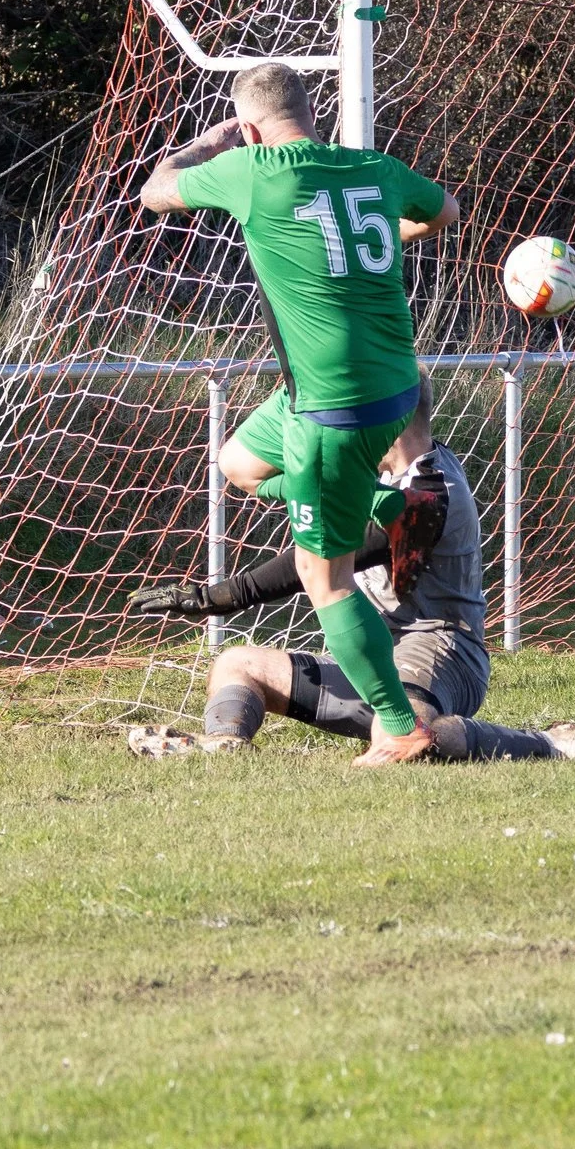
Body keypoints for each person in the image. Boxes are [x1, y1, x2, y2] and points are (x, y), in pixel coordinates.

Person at [138, 61, 460, 766]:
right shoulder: (372, 166)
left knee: (327, 579)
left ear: (250, 129)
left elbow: (155, 190)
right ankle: (383, 503)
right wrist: (364, 256)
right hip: (385, 390)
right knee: (237, 463)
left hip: (333, 410)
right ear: (313, 115)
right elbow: (445, 213)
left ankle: (400, 729)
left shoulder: (252, 169)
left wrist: (208, 145)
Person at [123, 388, 575, 762]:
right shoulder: (380, 479)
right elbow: (250, 470)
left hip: (440, 650)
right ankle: (222, 749)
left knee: (407, 743)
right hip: (371, 648)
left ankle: (554, 743)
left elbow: (328, 557)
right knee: (237, 664)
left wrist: (219, 596)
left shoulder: (429, 492)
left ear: (386, 420)